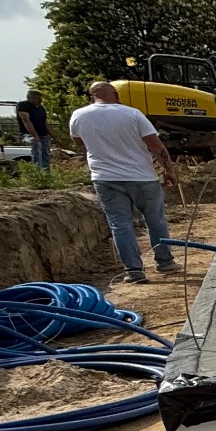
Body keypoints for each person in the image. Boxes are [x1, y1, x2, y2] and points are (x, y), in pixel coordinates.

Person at [68, 81, 179, 283]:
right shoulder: (132, 114)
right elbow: (155, 144)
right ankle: (165, 262)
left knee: (120, 225)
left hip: (106, 178)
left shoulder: (79, 116)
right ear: (114, 93)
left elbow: (80, 143)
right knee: (155, 220)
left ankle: (135, 272)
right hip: (142, 177)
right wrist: (169, 170)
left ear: (92, 96)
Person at [15, 90, 51, 170]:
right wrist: (34, 135)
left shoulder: (41, 108)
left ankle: (46, 172)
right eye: (38, 98)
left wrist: (54, 136)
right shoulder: (23, 105)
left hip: (43, 134)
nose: (40, 100)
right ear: (32, 97)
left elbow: (45, 123)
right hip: (28, 135)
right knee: (37, 148)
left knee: (45, 153)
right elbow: (25, 120)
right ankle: (38, 171)